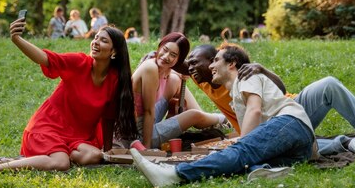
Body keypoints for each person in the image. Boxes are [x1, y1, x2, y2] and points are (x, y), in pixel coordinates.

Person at [0, 21, 137, 175]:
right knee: (61, 163)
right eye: (95, 38)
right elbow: (45, 58)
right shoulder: (79, 62)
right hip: (48, 126)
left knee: (95, 156)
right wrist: (17, 39)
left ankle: (37, 159)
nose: (95, 42)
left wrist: (107, 149)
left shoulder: (114, 80)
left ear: (114, 52)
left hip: (78, 137)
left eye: (103, 40)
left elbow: (108, 117)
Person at [130, 44, 316, 186]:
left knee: (242, 151)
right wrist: (159, 58)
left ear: (232, 63)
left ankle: (174, 174)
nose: (211, 66)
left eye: (216, 60)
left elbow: (255, 110)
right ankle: (264, 171)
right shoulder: (235, 93)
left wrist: (243, 143)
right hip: (300, 147)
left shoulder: (245, 77)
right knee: (246, 160)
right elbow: (186, 67)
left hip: (292, 122)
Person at [186, 44, 355, 157]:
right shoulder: (202, 79)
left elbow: (278, 89)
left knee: (328, 84)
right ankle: (347, 143)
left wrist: (263, 69)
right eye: (189, 65)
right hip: (266, 129)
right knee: (287, 146)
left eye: (196, 62)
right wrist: (156, 59)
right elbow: (178, 63)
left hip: (291, 108)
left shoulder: (236, 69)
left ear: (216, 61)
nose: (192, 67)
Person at [130, 33, 226, 149]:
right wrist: (146, 147)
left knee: (176, 80)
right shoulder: (150, 68)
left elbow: (188, 69)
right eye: (165, 50)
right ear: (159, 46)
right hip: (138, 135)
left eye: (173, 55)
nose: (166, 56)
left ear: (178, 60)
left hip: (149, 124)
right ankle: (221, 118)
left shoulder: (166, 71)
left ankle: (208, 118)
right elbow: (148, 111)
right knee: (194, 115)